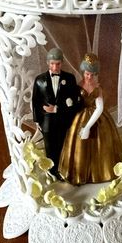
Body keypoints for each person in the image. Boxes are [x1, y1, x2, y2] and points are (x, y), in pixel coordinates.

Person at [58, 53, 122, 185]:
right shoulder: (79, 85)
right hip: (80, 116)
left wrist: (87, 127)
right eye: (87, 73)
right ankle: (77, 173)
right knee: (77, 144)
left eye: (92, 74)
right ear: (83, 72)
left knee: (99, 144)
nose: (89, 77)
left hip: (97, 119)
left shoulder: (97, 88)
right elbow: (73, 99)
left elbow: (99, 108)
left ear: (96, 74)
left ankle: (99, 172)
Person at [32, 48, 80, 178]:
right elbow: (35, 102)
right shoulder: (39, 80)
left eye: (58, 63)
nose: (55, 67)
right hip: (47, 122)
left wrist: (58, 109)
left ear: (62, 63)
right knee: (49, 147)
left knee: (63, 145)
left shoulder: (69, 79)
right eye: (52, 63)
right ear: (48, 63)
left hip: (64, 121)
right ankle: (51, 171)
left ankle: (63, 170)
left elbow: (75, 103)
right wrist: (37, 120)